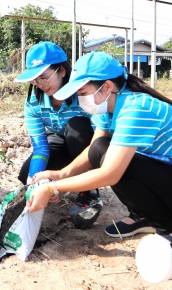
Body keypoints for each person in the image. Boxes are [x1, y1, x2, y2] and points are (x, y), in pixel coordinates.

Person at [29, 51, 172, 253]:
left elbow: (110, 174)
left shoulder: (137, 109)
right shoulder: (108, 107)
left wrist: (52, 188)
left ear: (107, 86)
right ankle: (143, 216)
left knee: (116, 165)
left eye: (82, 93)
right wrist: (60, 174)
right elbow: (94, 148)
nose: (80, 99)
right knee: (101, 149)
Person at [13, 42, 102, 228]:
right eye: (35, 80)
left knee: (76, 126)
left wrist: (62, 180)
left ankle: (89, 191)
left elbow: (100, 138)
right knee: (27, 174)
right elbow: (41, 147)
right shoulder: (33, 102)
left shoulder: (83, 94)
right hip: (60, 143)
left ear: (62, 71)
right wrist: (36, 183)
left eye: (44, 78)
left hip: (89, 145)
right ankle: (64, 184)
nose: (40, 84)